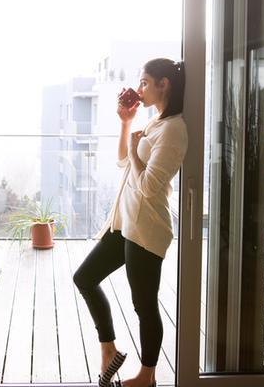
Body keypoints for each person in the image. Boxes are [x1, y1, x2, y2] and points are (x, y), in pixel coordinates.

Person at [73, 58, 188, 387]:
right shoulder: (155, 122)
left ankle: (147, 376)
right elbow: (124, 161)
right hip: (124, 223)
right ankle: (108, 349)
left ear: (163, 84)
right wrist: (126, 124)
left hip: (147, 229)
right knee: (84, 278)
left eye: (145, 82)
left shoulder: (174, 129)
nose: (140, 89)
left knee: (144, 305)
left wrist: (137, 154)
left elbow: (150, 186)